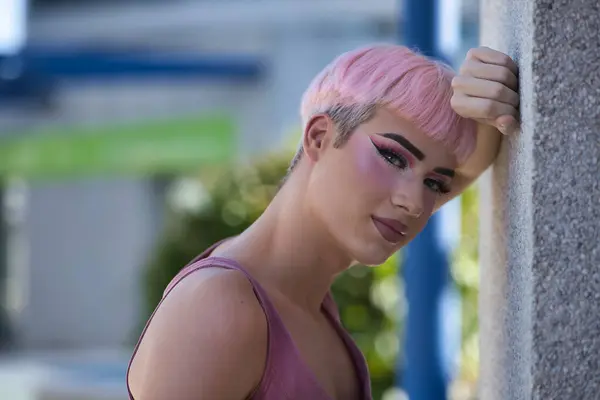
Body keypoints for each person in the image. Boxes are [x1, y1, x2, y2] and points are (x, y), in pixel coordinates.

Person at [127, 44, 519, 400]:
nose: (415, 202)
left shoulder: (307, 308)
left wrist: (488, 105)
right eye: (394, 158)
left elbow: (464, 168)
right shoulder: (221, 307)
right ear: (318, 137)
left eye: (434, 183)